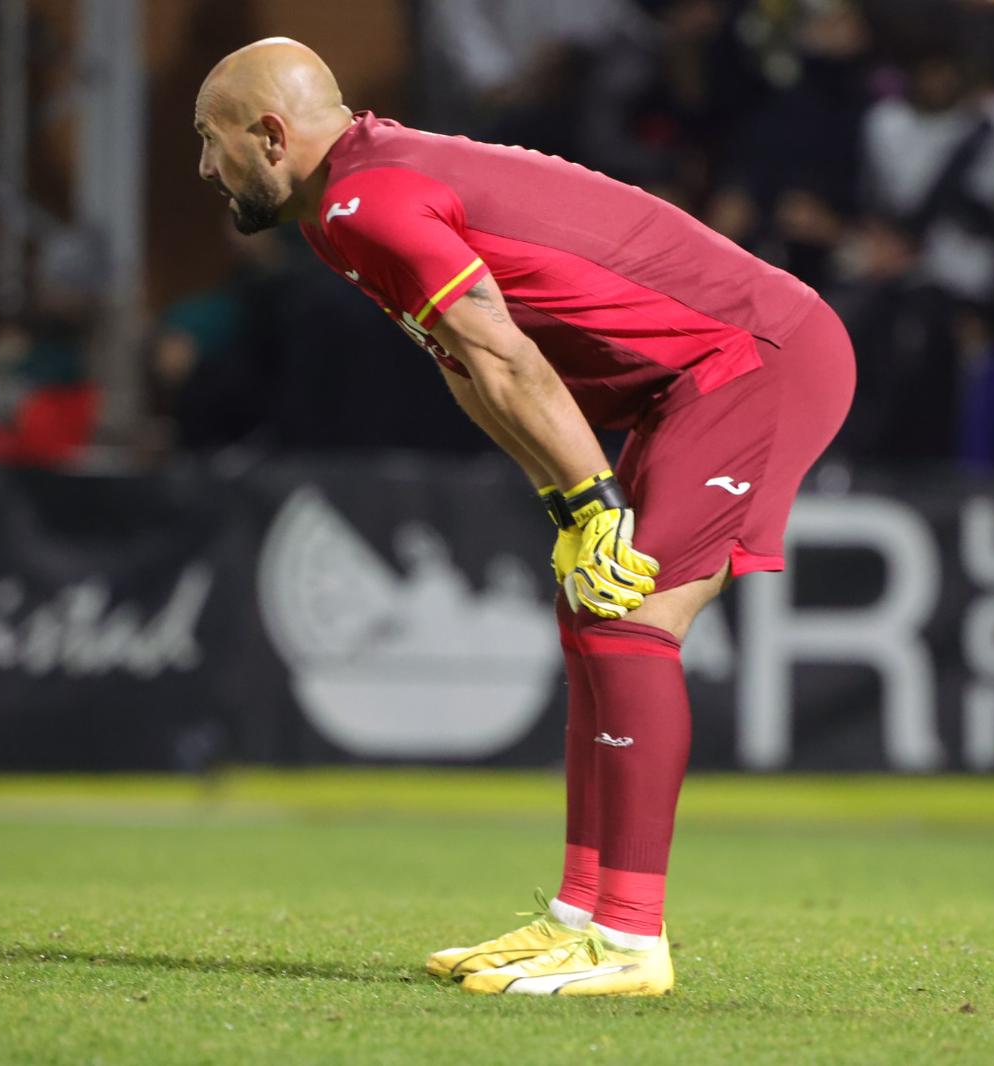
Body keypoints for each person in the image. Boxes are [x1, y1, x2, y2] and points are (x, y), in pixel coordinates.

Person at [194, 37, 855, 996]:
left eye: (209, 143)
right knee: (591, 604)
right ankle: (581, 919)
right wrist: (567, 503)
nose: (204, 169)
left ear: (269, 135)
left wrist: (595, 500)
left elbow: (504, 355)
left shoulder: (362, 203)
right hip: (690, 380)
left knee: (629, 617)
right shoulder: (342, 206)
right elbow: (465, 366)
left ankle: (630, 939)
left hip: (754, 361)